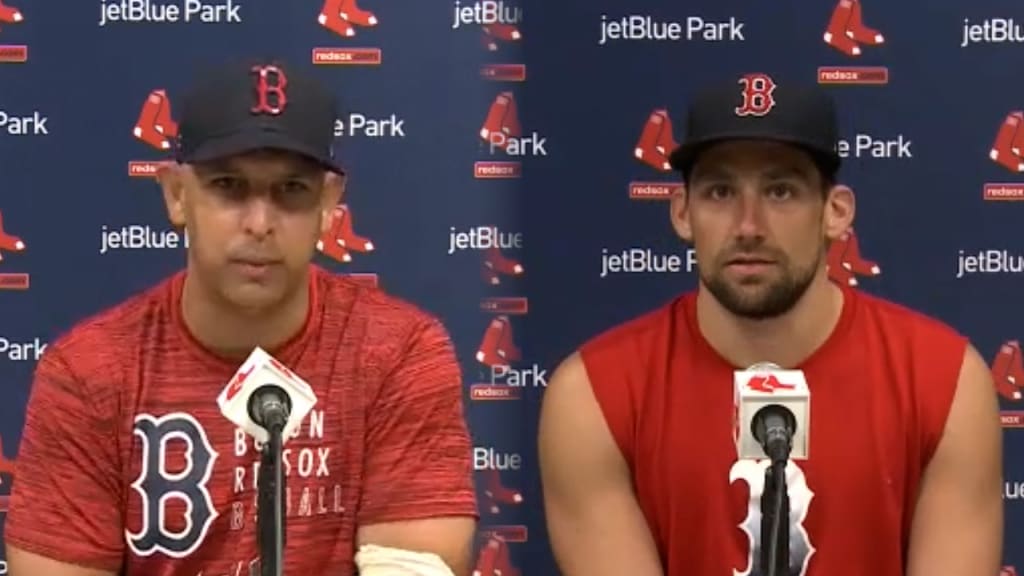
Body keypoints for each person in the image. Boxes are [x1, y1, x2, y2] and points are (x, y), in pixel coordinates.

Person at [4, 59, 478, 576]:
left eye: (290, 191)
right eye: (229, 186)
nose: (259, 224)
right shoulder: (88, 371)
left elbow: (411, 567)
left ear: (329, 203)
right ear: (177, 194)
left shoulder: (399, 351)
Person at [538, 72, 1004, 576]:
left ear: (835, 212)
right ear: (682, 213)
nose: (749, 226)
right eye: (719, 192)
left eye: (781, 191)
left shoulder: (944, 381)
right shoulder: (593, 395)